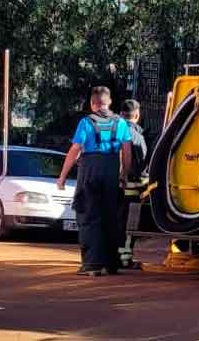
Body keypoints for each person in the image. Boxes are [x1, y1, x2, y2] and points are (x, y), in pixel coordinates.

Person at [57, 86, 132, 277]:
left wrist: (63, 176)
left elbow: (75, 149)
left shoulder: (86, 122)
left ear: (92, 104)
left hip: (90, 169)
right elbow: (127, 150)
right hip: (111, 169)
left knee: (88, 216)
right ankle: (111, 263)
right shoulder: (121, 123)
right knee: (111, 216)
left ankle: (91, 264)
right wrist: (124, 175)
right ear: (110, 102)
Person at [118, 99, 147, 269]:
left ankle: (107, 257)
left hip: (110, 186)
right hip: (131, 189)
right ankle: (124, 259)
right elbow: (142, 163)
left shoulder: (110, 130)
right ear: (137, 115)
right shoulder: (136, 136)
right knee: (128, 226)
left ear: (121, 114)